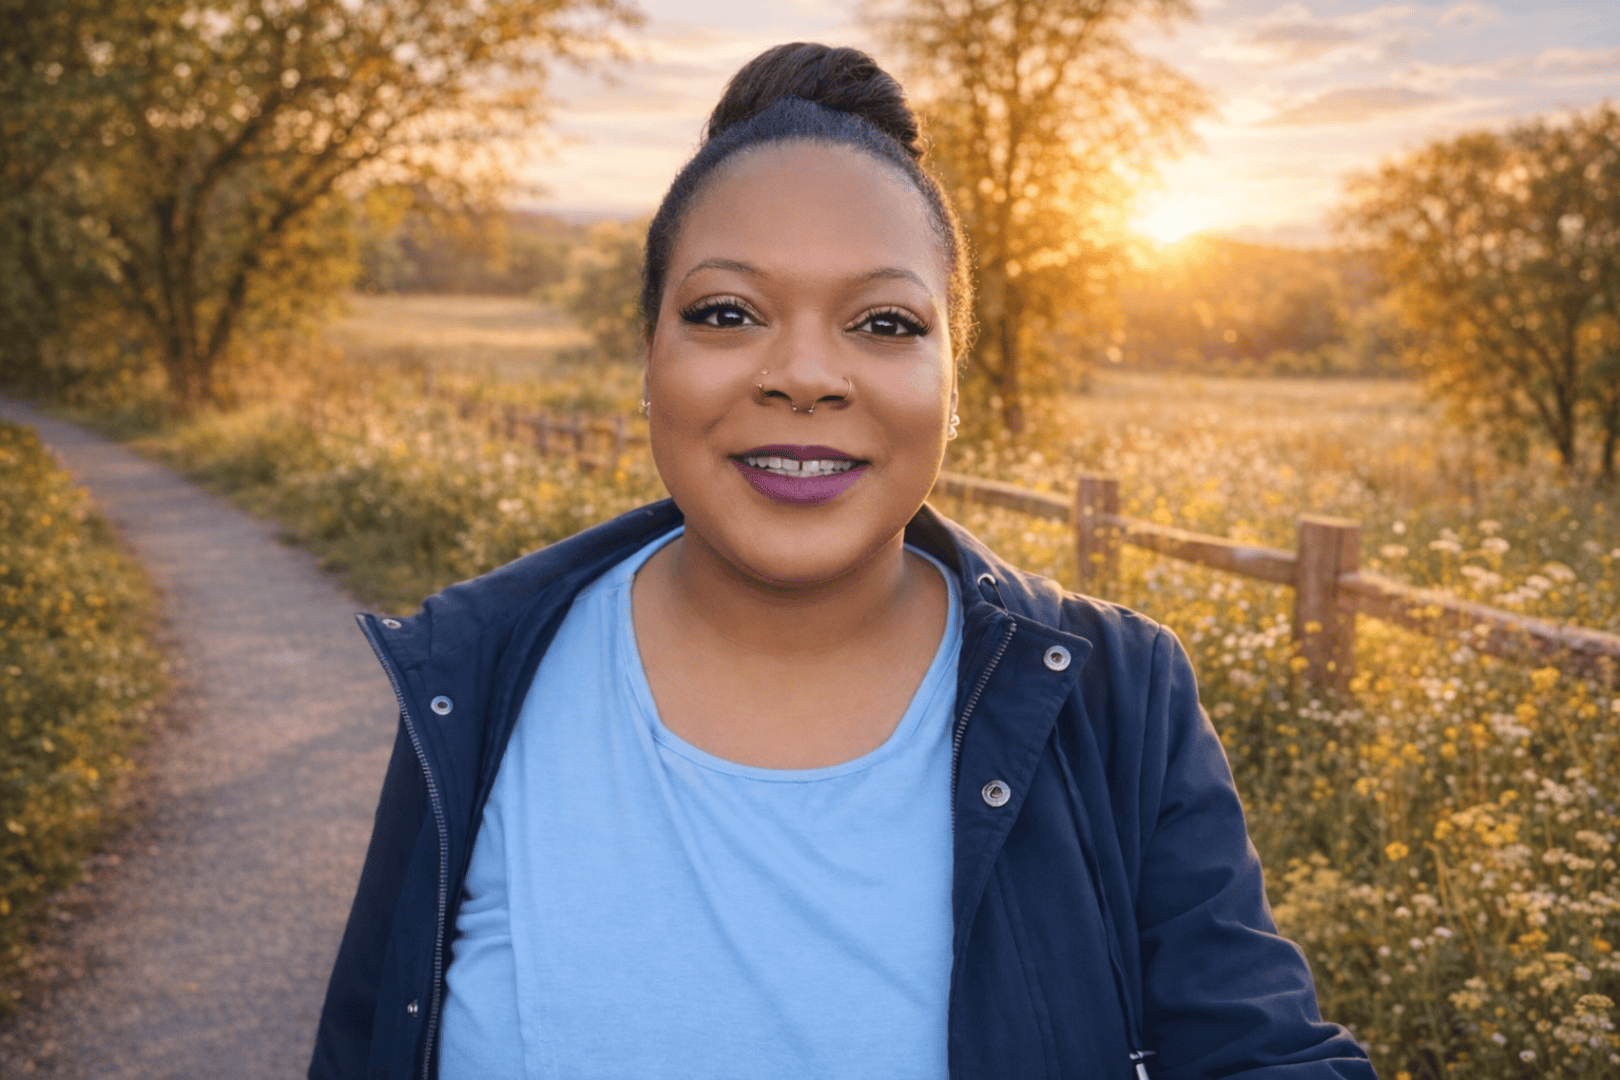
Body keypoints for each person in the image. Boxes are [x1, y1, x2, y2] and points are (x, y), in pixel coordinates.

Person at [309, 43, 1376, 1080]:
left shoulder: (1121, 698)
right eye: (727, 312)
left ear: (952, 378)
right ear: (649, 361)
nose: (806, 375)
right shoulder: (477, 675)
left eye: (883, 322)